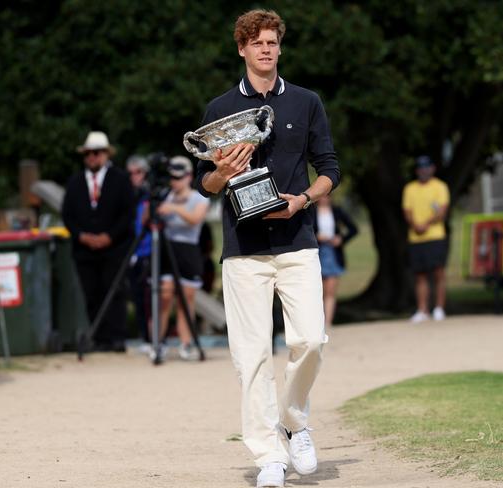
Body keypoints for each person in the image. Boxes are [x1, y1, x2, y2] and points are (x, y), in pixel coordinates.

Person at [194, 9, 340, 488]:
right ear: (242, 48)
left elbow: (330, 170)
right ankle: (268, 457)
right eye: (256, 43)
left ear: (280, 47)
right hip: (243, 249)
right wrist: (224, 172)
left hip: (297, 240)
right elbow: (206, 184)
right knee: (252, 355)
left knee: (312, 339)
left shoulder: (306, 101)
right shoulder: (219, 109)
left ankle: (294, 421)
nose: (265, 49)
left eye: (272, 42)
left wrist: (301, 200)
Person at [62, 131, 134, 352]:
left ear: (105, 154)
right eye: (88, 153)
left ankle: (117, 337)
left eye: (97, 153)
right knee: (91, 293)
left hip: (114, 248)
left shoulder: (120, 179)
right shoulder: (75, 182)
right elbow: (67, 214)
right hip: (85, 250)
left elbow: (127, 213)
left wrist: (109, 236)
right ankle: (99, 337)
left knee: (114, 291)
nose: (92, 157)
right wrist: (82, 235)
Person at [155, 156, 209, 360]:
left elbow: (195, 219)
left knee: (186, 300)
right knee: (165, 296)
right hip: (168, 249)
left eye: (179, 177)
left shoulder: (198, 198)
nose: (174, 181)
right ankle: (158, 342)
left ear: (188, 176)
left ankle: (185, 343)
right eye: (172, 177)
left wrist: (174, 209)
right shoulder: (164, 195)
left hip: (188, 250)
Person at [402, 155, 450, 323]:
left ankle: (439, 308)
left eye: (426, 167)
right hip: (416, 238)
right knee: (420, 275)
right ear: (417, 171)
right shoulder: (410, 188)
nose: (424, 170)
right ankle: (422, 309)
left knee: (438, 272)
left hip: (435, 236)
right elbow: (407, 211)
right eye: (421, 168)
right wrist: (416, 225)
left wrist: (426, 224)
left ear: (432, 169)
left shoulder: (440, 187)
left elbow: (442, 211)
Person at [314, 195, 358, 327]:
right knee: (317, 290)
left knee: (330, 290)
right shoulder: (311, 212)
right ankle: (317, 323)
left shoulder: (337, 211)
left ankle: (328, 322)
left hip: (333, 253)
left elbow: (353, 229)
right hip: (317, 252)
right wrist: (316, 237)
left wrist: (341, 239)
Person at [126, 155, 152, 347]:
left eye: (138, 172)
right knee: (136, 296)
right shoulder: (128, 195)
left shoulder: (149, 194)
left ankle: (153, 337)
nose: (134, 177)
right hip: (133, 251)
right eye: (131, 173)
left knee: (149, 297)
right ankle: (144, 336)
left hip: (149, 250)